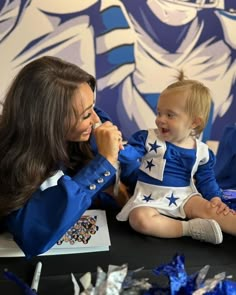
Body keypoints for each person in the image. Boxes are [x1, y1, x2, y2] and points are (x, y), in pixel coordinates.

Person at [0, 55, 125, 258]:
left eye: (93, 106)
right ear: (50, 122)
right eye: (86, 115)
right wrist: (104, 164)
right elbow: (32, 235)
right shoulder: (10, 160)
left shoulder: (88, 130)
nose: (96, 119)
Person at [117, 72, 236, 245]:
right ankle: (190, 228)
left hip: (184, 196)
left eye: (169, 115)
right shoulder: (147, 138)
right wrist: (118, 148)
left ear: (194, 122)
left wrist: (215, 199)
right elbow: (131, 154)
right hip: (149, 197)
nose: (160, 120)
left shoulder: (202, 151)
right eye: (159, 113)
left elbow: (207, 179)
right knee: (140, 219)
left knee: (213, 210)